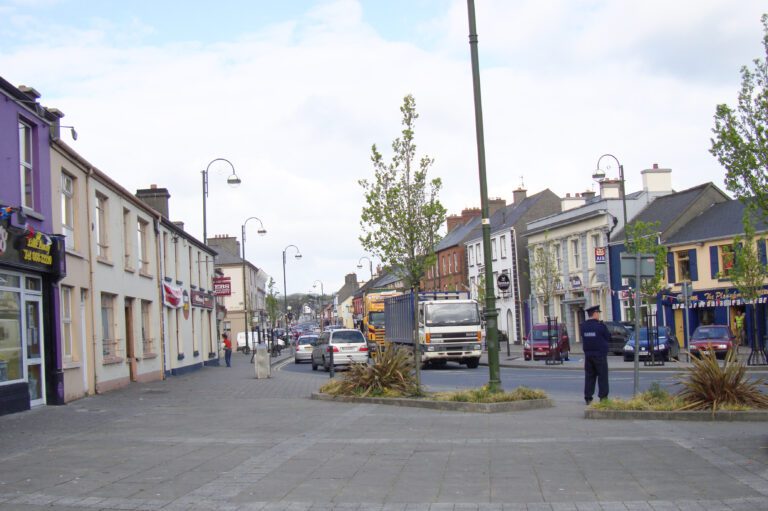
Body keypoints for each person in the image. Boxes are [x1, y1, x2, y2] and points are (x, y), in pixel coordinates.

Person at [581, 305, 611, 405]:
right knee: (602, 377)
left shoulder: (583, 326)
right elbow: (608, 337)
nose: (599, 315)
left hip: (588, 355)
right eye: (598, 313)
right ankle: (603, 397)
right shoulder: (600, 326)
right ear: (595, 313)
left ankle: (588, 397)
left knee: (589, 377)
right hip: (600, 355)